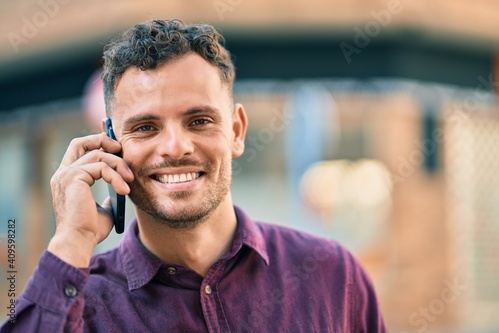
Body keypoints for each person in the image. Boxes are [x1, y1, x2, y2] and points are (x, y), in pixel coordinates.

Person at [1, 19, 387, 332]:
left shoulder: (333, 275)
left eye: (199, 120)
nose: (174, 147)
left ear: (236, 131)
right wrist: (71, 240)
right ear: (110, 145)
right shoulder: (79, 308)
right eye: (145, 127)